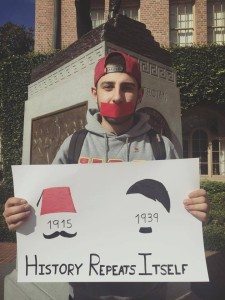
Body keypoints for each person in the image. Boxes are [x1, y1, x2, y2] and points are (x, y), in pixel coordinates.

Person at [3, 51, 208, 300]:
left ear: (140, 94)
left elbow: (179, 210)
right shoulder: (74, 145)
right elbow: (47, 203)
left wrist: (195, 211)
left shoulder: (161, 146)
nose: (117, 96)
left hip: (147, 290)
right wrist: (21, 213)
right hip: (86, 290)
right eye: (108, 86)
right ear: (94, 93)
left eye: (127, 87)